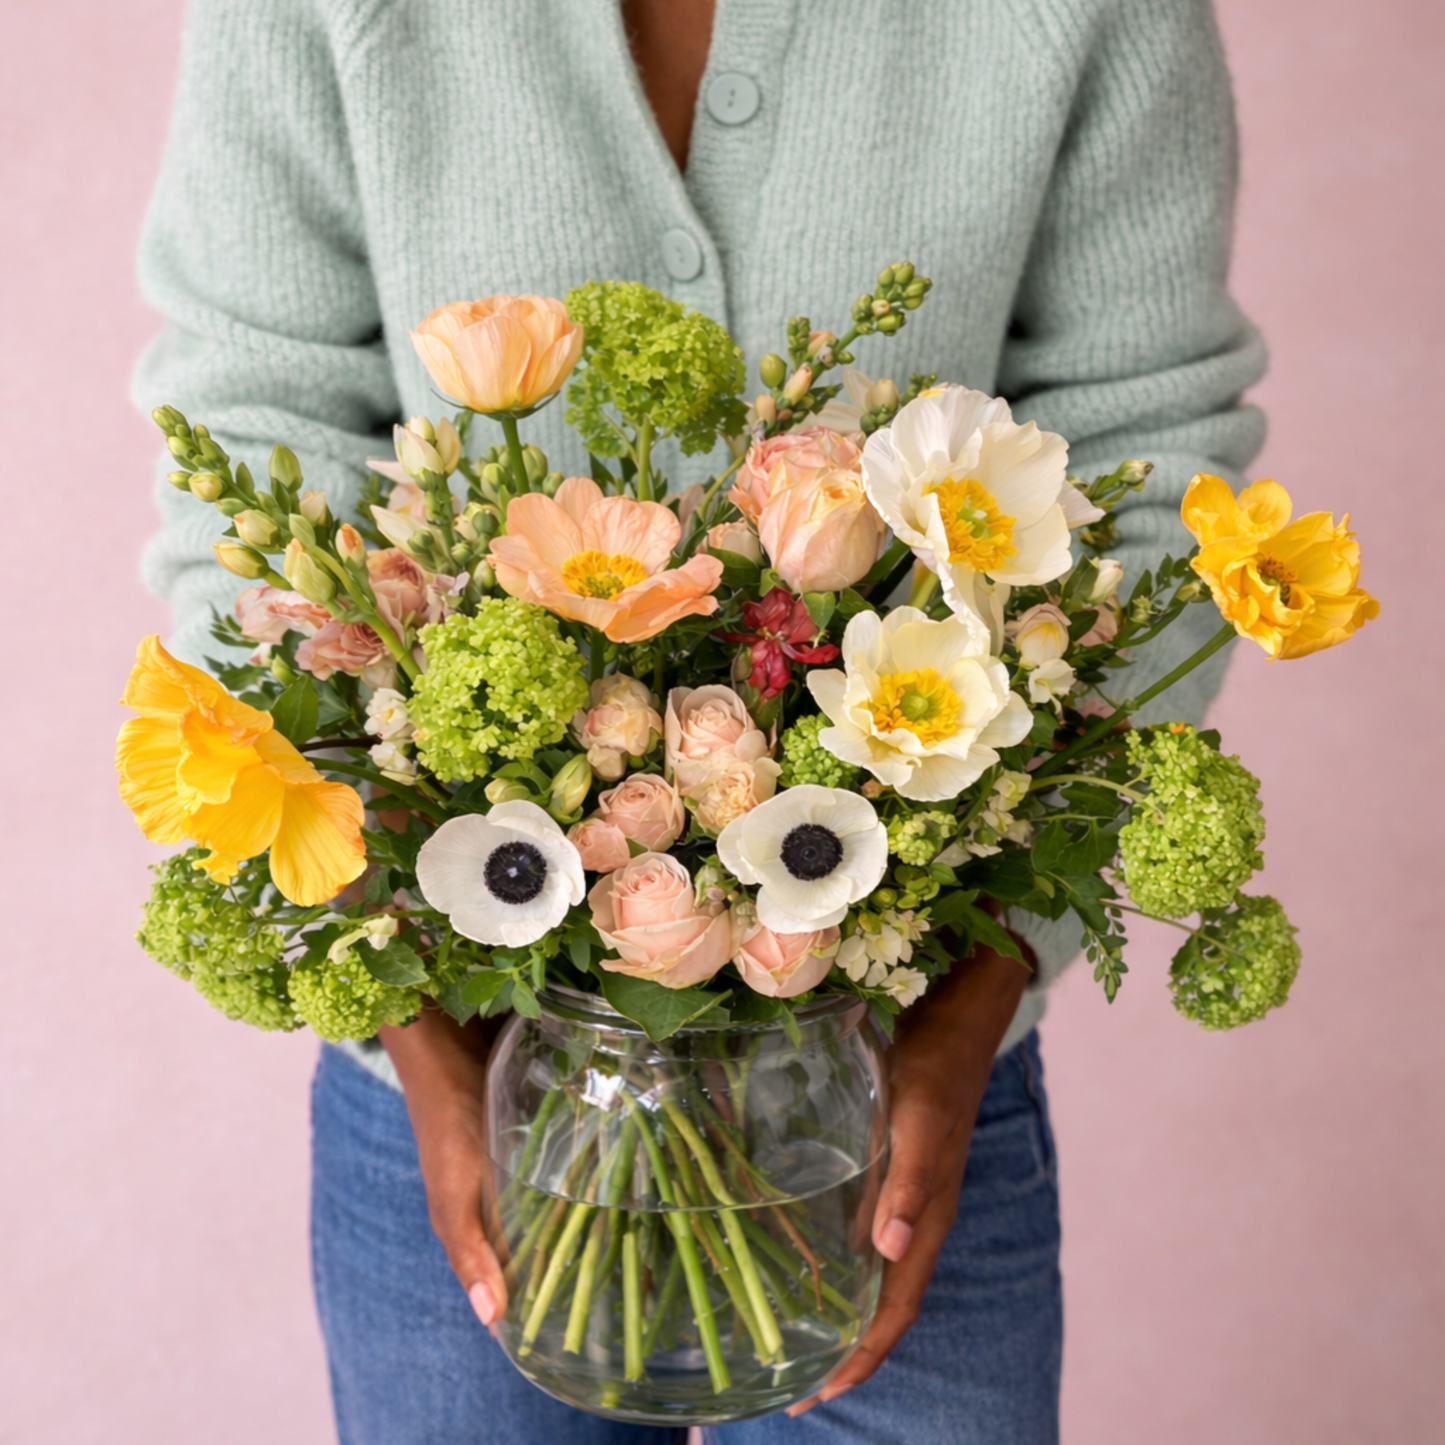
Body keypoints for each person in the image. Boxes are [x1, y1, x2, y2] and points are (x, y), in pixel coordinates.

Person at [135, 1, 1265, 1440]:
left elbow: (1147, 443)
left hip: (907, 1074)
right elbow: (250, 441)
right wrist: (418, 1029)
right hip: (463, 1076)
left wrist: (972, 1002)